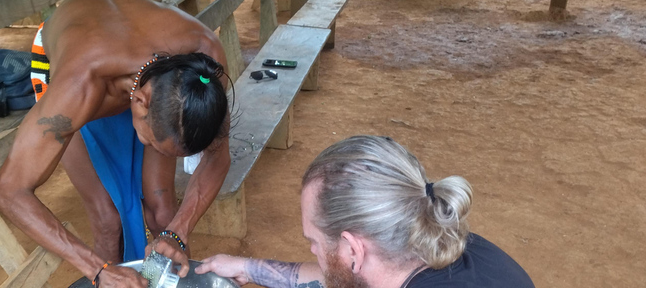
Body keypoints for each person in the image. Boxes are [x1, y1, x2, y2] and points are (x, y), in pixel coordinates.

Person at [0, 0, 231, 288]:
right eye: (151, 144)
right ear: (140, 101)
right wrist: (99, 269)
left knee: (164, 213)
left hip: (125, 54)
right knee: (107, 218)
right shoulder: (78, 88)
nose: (151, 152)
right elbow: (9, 191)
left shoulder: (204, 67)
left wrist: (178, 231)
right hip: (73, 59)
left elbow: (218, 156)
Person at [197, 135, 534, 288]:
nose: (312, 250)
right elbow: (342, 273)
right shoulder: (440, 234)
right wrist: (246, 268)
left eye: (313, 241)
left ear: (354, 249)